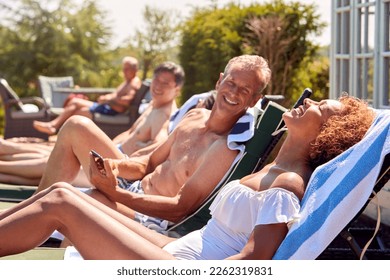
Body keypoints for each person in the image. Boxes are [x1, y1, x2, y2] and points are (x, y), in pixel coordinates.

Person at [0, 95, 375, 259]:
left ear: (326, 135)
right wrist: (116, 186)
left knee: (61, 203)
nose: (308, 101)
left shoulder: (288, 183)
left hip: (183, 265)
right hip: (179, 247)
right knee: (67, 191)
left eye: (320, 108)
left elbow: (255, 261)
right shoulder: (274, 168)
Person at [34, 55, 271, 232]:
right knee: (77, 125)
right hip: (133, 188)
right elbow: (148, 164)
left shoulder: (225, 149)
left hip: (150, 217)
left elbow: (179, 208)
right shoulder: (194, 117)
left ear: (254, 100)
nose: (234, 92)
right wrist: (114, 168)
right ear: (220, 81)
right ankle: (33, 211)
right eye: (231, 83)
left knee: (88, 199)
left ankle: (49, 239)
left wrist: (113, 192)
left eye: (245, 89)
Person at [0, 61, 185, 186]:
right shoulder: (154, 105)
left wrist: (137, 154)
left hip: (114, 168)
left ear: (177, 89)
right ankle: (3, 150)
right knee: (49, 152)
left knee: (51, 162)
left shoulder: (165, 115)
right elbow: (130, 132)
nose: (158, 86)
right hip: (111, 152)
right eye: (156, 80)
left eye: (165, 83)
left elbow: (160, 145)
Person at [33, 56, 142, 136]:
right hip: (108, 107)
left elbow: (127, 100)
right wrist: (107, 97)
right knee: (79, 112)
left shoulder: (133, 82)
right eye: (123, 68)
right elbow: (117, 95)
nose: (124, 71)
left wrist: (108, 99)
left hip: (111, 110)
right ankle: (60, 131)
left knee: (75, 102)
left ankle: (53, 126)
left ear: (134, 69)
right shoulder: (128, 81)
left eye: (126, 69)